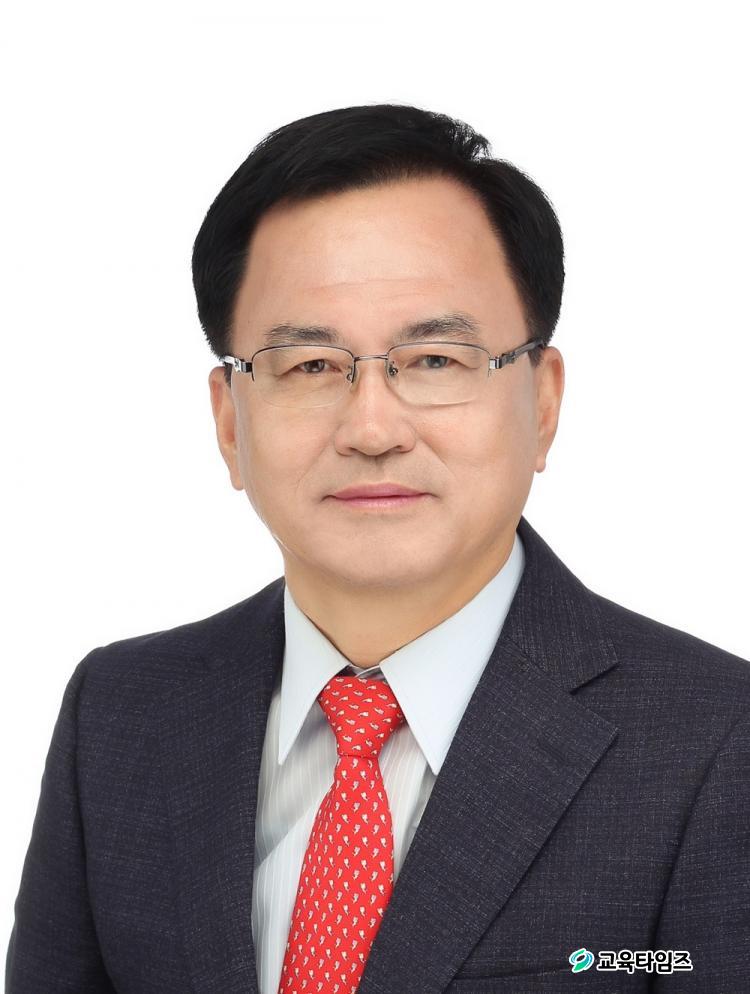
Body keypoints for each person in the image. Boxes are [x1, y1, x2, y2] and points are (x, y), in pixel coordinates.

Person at [6, 103, 749, 994]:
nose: (371, 428)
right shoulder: (122, 712)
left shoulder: (719, 741)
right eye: (310, 367)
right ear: (229, 423)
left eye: (435, 359)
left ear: (544, 403)